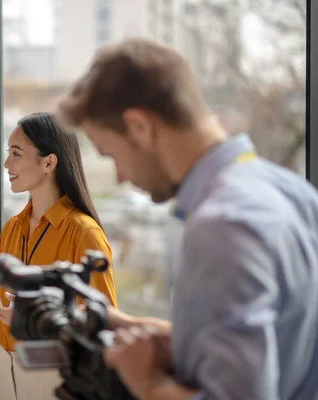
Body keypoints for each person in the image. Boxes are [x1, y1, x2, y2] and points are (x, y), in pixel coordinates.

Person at [55, 38, 318, 400]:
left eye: (112, 154)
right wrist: (143, 331)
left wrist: (148, 384)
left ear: (140, 127)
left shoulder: (222, 226)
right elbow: (284, 345)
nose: (119, 177)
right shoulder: (294, 193)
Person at [0, 112, 118, 400]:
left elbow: (104, 324)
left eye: (16, 153)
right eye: (8, 152)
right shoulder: (13, 228)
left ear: (49, 162)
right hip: (6, 368)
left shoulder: (84, 233)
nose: (6, 163)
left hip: (55, 374)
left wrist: (37, 323)